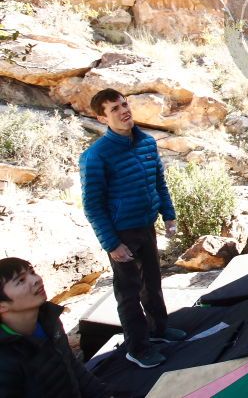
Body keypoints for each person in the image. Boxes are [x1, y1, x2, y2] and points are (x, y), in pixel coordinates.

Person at [79, 89, 185, 369]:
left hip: (146, 225)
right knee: (128, 292)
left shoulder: (147, 143)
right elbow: (92, 205)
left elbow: (158, 182)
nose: (123, 111)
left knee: (152, 282)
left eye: (124, 104)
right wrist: (111, 244)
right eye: (114, 109)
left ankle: (158, 330)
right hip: (121, 233)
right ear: (102, 117)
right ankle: (137, 347)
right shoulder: (96, 156)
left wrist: (169, 215)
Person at [0, 257, 109, 397]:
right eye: (21, 280)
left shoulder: (50, 320)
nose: (36, 280)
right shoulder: (5, 359)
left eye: (32, 272)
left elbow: (72, 366)